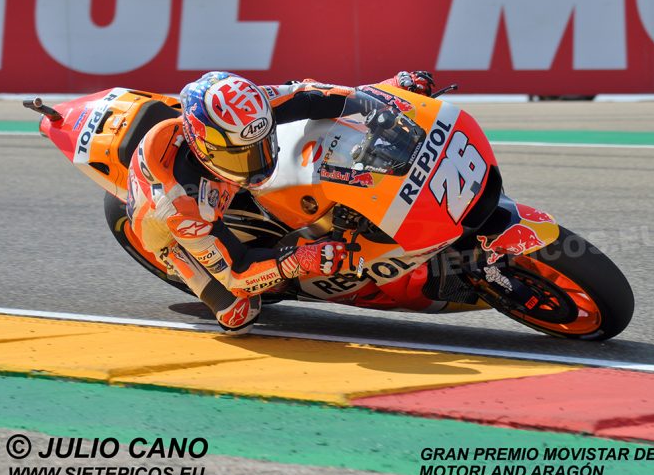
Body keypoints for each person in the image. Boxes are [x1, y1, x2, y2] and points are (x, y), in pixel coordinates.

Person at [126, 70, 435, 335]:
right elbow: (237, 274)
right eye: (244, 155)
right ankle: (175, 257)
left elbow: (312, 94)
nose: (258, 162)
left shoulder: (249, 108)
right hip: (161, 222)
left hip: (222, 183)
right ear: (206, 148)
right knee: (238, 316)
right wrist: (299, 260)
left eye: (261, 146)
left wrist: (383, 94)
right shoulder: (182, 206)